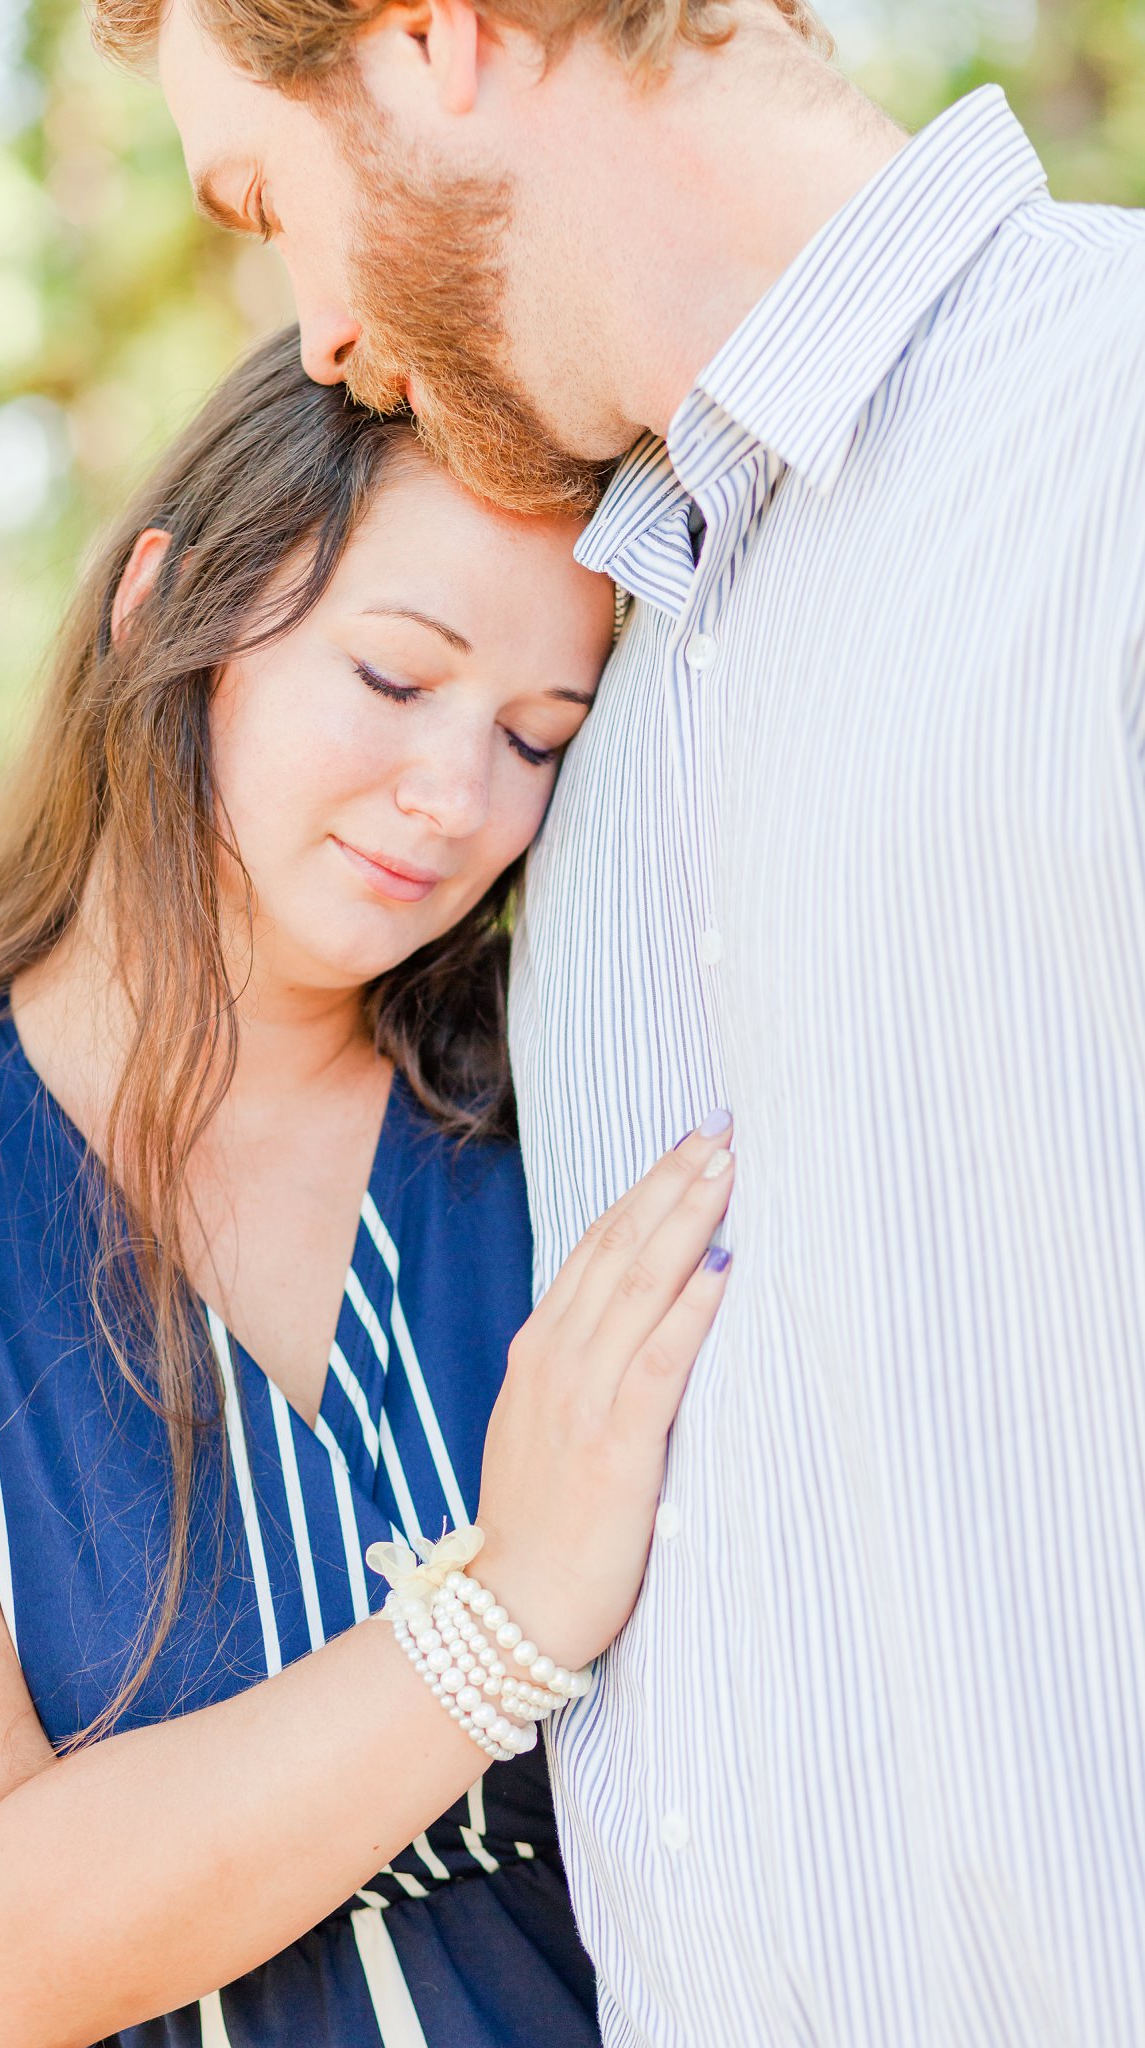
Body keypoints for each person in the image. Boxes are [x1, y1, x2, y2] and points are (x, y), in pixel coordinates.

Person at [108, 0, 1145, 2040]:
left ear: (431, 39)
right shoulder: (590, 699)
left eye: (266, 199)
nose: (310, 326)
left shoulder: (1110, 438)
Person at [0, 330, 739, 2048]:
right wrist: (505, 1613)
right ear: (169, 609)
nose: (456, 797)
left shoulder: (568, 1135)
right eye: (393, 677)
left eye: (538, 738)